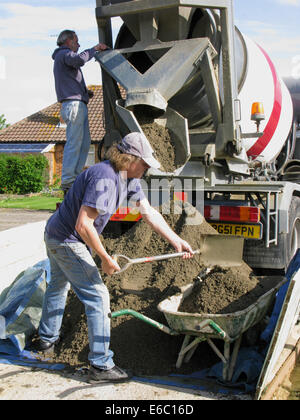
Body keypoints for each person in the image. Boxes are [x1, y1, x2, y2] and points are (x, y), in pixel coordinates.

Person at [35, 132, 194, 384]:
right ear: (128, 159)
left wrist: (176, 240)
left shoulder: (128, 179)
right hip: (66, 240)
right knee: (98, 296)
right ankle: (100, 364)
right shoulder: (104, 177)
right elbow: (84, 225)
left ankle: (46, 342)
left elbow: (149, 213)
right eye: (143, 163)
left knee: (57, 286)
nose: (146, 169)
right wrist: (105, 258)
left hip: (55, 233)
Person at [52, 29, 108, 194]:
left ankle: (74, 178)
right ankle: (69, 180)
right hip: (73, 105)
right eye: (76, 41)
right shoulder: (65, 54)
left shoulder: (63, 58)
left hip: (77, 102)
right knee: (75, 143)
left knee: (84, 143)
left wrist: (85, 93)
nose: (78, 44)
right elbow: (79, 60)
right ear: (68, 41)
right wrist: (95, 49)